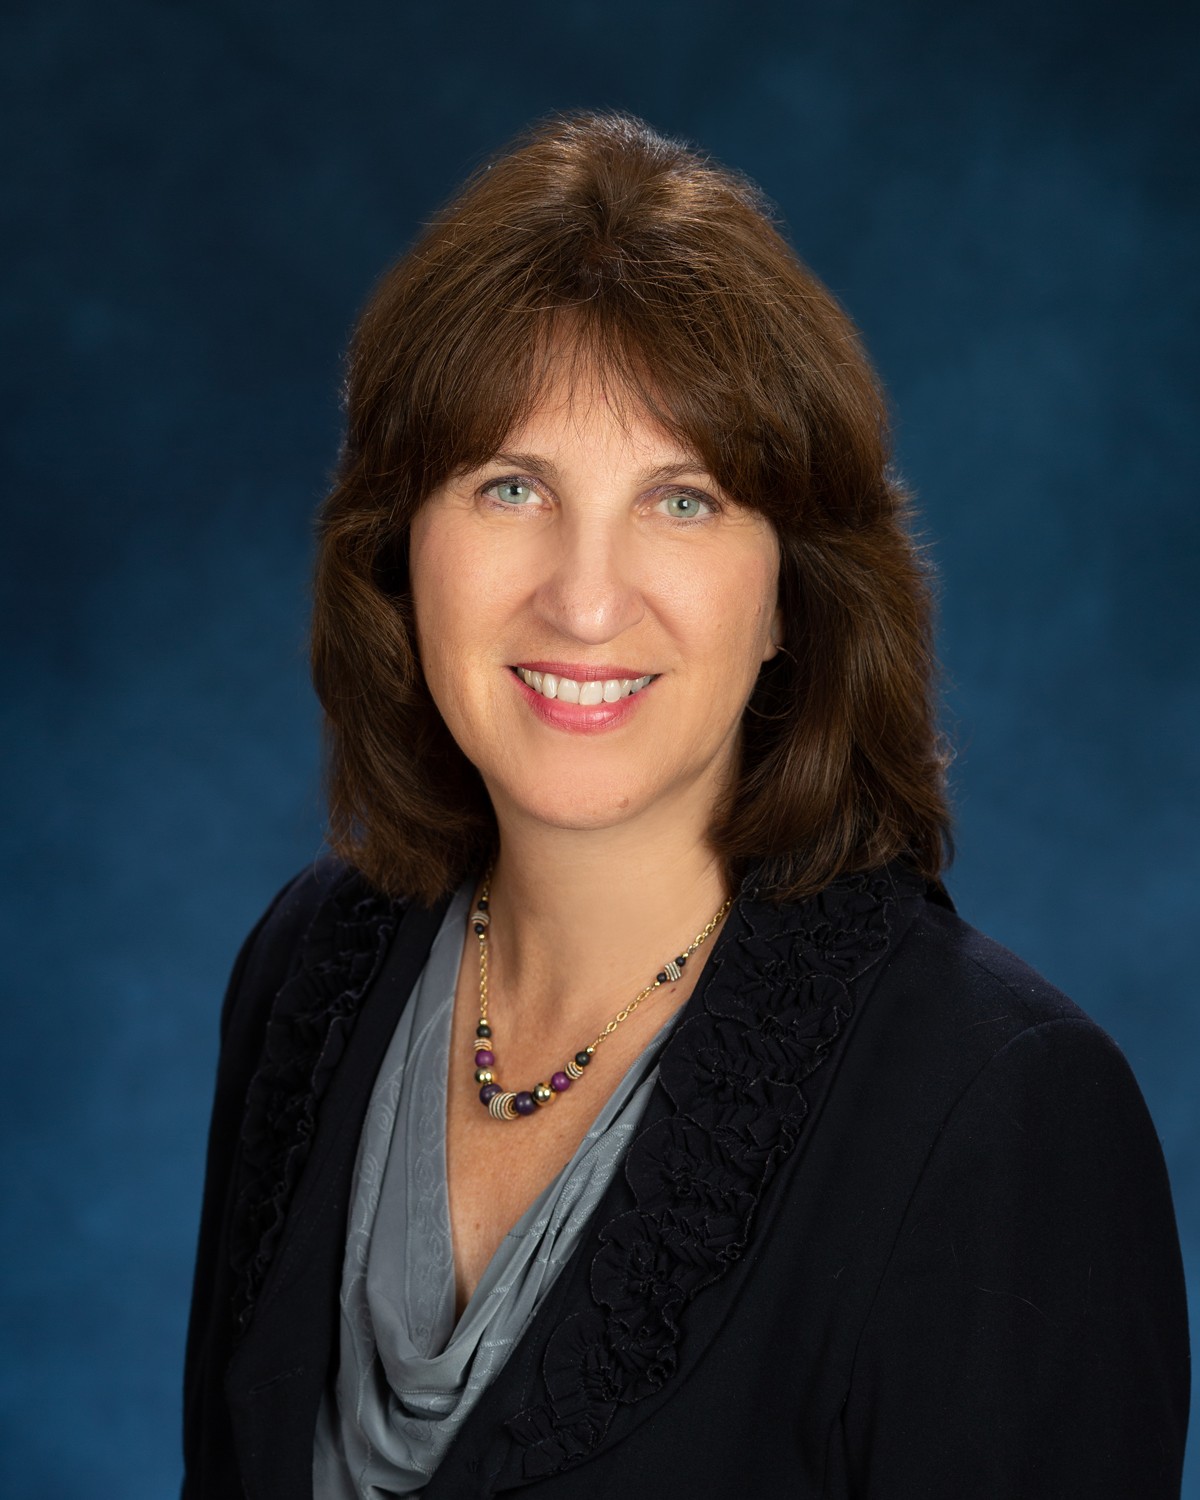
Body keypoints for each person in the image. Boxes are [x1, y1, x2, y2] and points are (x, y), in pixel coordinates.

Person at [181, 113, 1189, 1499]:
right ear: (399, 551)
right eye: (511, 486)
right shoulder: (312, 971)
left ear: (793, 593)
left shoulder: (999, 1115)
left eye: (684, 501)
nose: (584, 599)